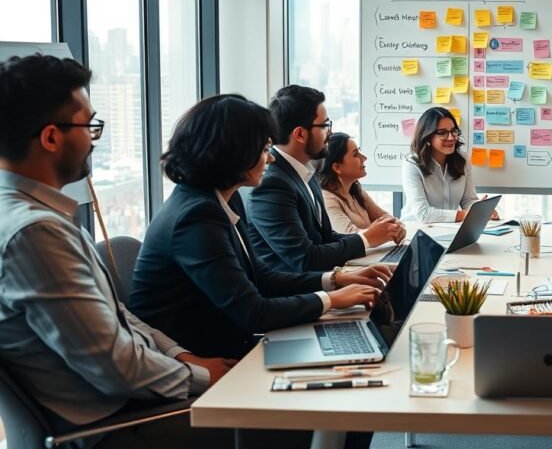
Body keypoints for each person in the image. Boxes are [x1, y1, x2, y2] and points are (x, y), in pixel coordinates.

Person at [0, 54, 233, 448]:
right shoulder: (36, 234)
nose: (94, 139)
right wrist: (206, 377)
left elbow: (116, 318)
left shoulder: (35, 216)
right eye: (89, 126)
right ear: (51, 137)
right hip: (116, 428)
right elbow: (114, 366)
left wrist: (180, 357)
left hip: (131, 406)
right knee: (294, 419)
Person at [130, 94, 390, 361]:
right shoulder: (196, 216)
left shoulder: (219, 199)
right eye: (265, 148)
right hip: (201, 362)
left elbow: (260, 276)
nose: (272, 159)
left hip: (229, 343)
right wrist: (332, 299)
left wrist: (336, 280)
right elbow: (252, 312)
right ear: (234, 152)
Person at [248, 85, 402, 272]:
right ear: (300, 134)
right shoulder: (271, 184)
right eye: (325, 125)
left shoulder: (305, 172)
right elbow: (305, 258)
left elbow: (325, 238)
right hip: (296, 293)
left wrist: (377, 235)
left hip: (322, 281)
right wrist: (367, 238)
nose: (330, 133)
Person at [401, 107, 498, 222]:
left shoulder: (463, 159)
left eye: (453, 131)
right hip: (416, 230)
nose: (451, 137)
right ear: (427, 137)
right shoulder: (412, 164)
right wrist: (466, 215)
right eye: (442, 133)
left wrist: (481, 210)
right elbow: (423, 213)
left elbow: (468, 200)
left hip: (449, 229)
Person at [319, 131, 407, 242]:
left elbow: (385, 217)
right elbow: (351, 238)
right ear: (337, 167)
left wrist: (396, 227)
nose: (364, 157)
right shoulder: (327, 199)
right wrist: (386, 230)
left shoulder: (356, 190)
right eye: (355, 154)